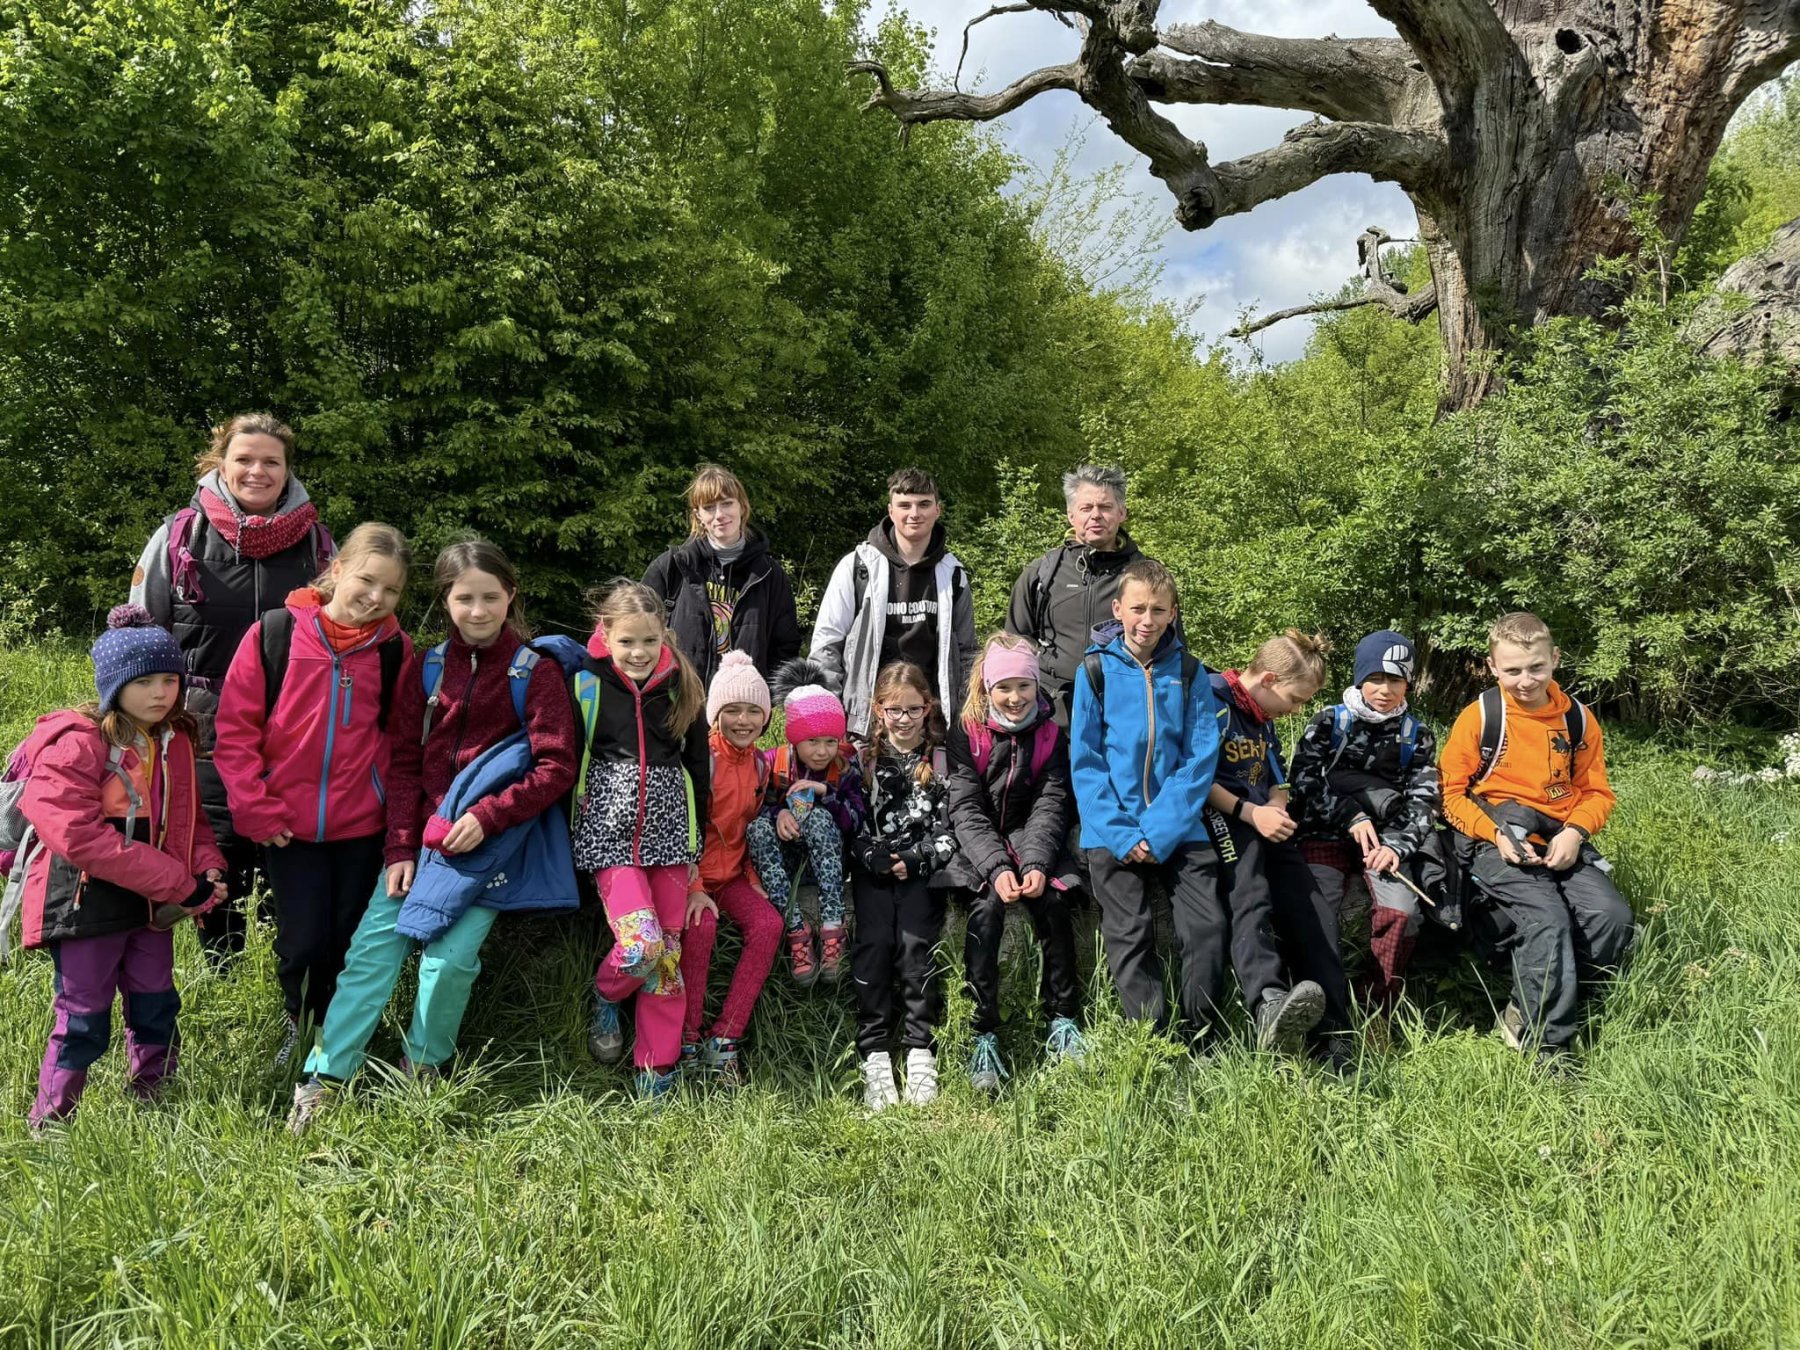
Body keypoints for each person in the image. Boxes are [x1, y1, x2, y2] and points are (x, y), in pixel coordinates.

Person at [288, 541, 580, 1133]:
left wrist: (489, 816)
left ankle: (422, 1066)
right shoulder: (426, 667)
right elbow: (403, 762)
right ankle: (326, 1077)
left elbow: (556, 765)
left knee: (449, 961)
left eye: (490, 597)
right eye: (464, 598)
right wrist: (400, 847)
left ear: (511, 596)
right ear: (445, 600)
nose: (478, 610)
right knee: (371, 953)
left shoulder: (536, 672)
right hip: (421, 843)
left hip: (490, 849)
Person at [1070, 560, 1324, 1052]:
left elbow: (1198, 759)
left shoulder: (1188, 673)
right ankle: (1152, 1043)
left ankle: (1200, 1035)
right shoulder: (1094, 672)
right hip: (1111, 828)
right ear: (1118, 609)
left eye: (1158, 610)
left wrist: (1160, 831)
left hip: (1180, 827)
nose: (1147, 620)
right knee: (1130, 934)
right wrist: (1124, 834)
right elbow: (1086, 762)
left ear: (1173, 613)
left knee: (1206, 926)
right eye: (1138, 608)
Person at [131, 412, 336, 965]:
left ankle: (278, 970)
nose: (257, 471)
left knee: (282, 845)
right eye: (244, 459)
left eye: (271, 461)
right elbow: (139, 633)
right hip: (198, 724)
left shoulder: (318, 545)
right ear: (221, 464)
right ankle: (222, 973)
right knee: (214, 849)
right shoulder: (180, 536)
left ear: (288, 471)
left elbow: (340, 632)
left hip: (292, 725)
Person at [14, 606, 227, 1127]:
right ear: (114, 685)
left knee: (157, 1003)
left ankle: (156, 1098)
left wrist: (207, 866)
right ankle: (52, 1121)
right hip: (84, 901)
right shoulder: (77, 742)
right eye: (144, 681)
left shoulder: (175, 738)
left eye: (170, 680)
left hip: (150, 902)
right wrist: (179, 882)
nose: (161, 693)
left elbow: (190, 819)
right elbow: (77, 836)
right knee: (82, 1017)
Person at [213, 523, 412, 1067]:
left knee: (348, 937)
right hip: (287, 827)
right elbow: (235, 732)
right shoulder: (274, 633)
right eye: (367, 580)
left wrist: (395, 822)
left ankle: (337, 1033)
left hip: (362, 826)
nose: (376, 597)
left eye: (391, 590)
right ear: (337, 569)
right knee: (301, 939)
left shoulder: (395, 651)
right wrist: (256, 809)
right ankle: (299, 1026)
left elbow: (401, 742)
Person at [1441, 612, 1635, 1071]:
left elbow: (1597, 793)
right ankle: (1548, 1049)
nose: (1525, 681)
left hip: (1560, 833)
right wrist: (1495, 834)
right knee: (1547, 918)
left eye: (1536, 668)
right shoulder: (1481, 717)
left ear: (1555, 660)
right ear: (1492, 667)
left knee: (1611, 918)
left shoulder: (1578, 720)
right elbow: (1449, 796)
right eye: (1512, 670)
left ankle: (1536, 1002)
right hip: (1494, 835)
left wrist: (1576, 832)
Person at [580, 581, 711, 1101]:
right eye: (628, 641)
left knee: (666, 960)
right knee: (642, 945)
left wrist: (696, 850)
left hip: (672, 838)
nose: (639, 653)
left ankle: (657, 1069)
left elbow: (698, 770)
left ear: (664, 636)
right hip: (609, 838)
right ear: (606, 635)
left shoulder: (683, 686)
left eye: (650, 641)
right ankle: (606, 994)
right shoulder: (585, 682)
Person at [1202, 630, 1351, 1066]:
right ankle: (1268, 1000)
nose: (1297, 710)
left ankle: (1334, 1032)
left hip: (1265, 817)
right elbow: (1194, 775)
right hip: (1223, 816)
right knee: (1249, 890)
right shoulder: (1211, 700)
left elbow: (1277, 772)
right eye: (1296, 699)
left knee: (1312, 904)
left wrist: (1277, 804)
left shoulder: (1263, 716)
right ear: (1269, 679)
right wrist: (1250, 813)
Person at [945, 632, 1086, 1092]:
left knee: (1055, 903)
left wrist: (1036, 863)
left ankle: (1063, 1019)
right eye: (1003, 687)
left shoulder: (1051, 733)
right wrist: (997, 867)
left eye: (1023, 686)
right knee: (985, 912)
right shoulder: (967, 732)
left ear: (1036, 685)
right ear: (987, 688)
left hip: (1032, 835)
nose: (1014, 697)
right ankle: (982, 1032)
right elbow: (965, 807)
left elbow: (1052, 801)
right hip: (978, 843)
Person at [1289, 630, 1444, 1007]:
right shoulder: (1330, 721)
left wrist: (1397, 847)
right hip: (1324, 833)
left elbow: (1425, 800)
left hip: (1385, 842)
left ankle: (1377, 1004)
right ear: (1360, 678)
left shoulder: (1417, 735)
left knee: (1402, 913)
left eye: (1396, 680)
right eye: (1375, 678)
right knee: (1314, 907)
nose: (1385, 690)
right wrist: (1349, 815)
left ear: (1408, 683)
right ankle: (1313, 999)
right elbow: (1303, 781)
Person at [674, 651, 785, 1088]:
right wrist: (694, 886)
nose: (743, 720)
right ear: (715, 714)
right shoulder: (701, 758)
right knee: (700, 928)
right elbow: (682, 827)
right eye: (732, 710)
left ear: (766, 716)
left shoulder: (760, 765)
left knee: (769, 925)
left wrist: (753, 880)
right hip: (692, 877)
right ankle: (686, 1038)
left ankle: (725, 1039)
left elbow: (751, 828)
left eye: (753, 711)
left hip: (734, 876)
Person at [851, 661, 958, 1111]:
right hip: (873, 870)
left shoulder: (941, 760)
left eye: (913, 709)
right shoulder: (863, 761)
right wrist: (871, 856)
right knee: (874, 944)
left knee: (916, 947)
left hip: (920, 871)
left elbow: (950, 831)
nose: (904, 719)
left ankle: (919, 1049)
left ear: (927, 707)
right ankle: (875, 1051)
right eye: (894, 710)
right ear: (878, 710)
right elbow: (849, 820)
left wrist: (916, 859)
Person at [808, 467, 978, 742]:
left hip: (930, 724)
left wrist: (962, 720)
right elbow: (827, 646)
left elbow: (968, 653)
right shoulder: (857, 567)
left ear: (938, 510)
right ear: (890, 511)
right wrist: (828, 713)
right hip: (864, 722)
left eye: (924, 504)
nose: (915, 513)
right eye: (905, 505)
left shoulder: (953, 575)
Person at [1006, 464, 1163, 727]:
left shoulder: (1147, 576)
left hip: (1125, 716)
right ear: (1071, 515)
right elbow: (1013, 646)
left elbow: (1171, 650)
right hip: (1052, 719)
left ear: (1122, 512)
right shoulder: (1042, 573)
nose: (1096, 515)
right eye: (1086, 508)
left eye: (1105, 507)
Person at [748, 659, 867, 985]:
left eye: (830, 741)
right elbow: (753, 810)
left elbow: (857, 821)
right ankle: (795, 930)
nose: (822, 751)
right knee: (757, 828)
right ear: (795, 739)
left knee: (818, 817)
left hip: (830, 863)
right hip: (786, 863)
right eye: (812, 741)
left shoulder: (844, 767)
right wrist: (778, 814)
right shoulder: (773, 763)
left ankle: (832, 927)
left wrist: (826, 794)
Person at [641, 463, 803, 688]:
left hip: (745, 704)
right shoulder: (672, 567)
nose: (719, 515)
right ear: (698, 515)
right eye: (709, 507)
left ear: (742, 506)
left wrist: (764, 697)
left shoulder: (770, 575)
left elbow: (785, 649)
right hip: (678, 700)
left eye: (727, 503)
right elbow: (637, 632)